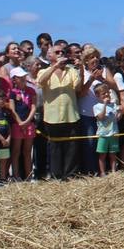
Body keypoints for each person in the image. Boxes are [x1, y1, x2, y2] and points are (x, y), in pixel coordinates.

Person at [38, 45, 83, 180]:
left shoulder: (71, 71)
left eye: (62, 52)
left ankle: (70, 175)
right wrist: (55, 67)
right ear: (49, 56)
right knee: (55, 147)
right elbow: (40, 82)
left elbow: (78, 87)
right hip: (53, 117)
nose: (60, 54)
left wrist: (80, 69)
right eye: (57, 52)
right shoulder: (44, 71)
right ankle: (56, 175)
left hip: (71, 115)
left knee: (72, 147)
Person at [8, 67, 37, 181]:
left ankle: (29, 175)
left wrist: (27, 121)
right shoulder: (12, 93)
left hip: (29, 123)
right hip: (17, 124)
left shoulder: (31, 91)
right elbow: (12, 109)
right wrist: (20, 123)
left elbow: (33, 107)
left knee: (27, 151)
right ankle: (16, 175)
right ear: (14, 79)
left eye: (24, 76)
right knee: (16, 151)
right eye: (20, 77)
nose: (23, 79)